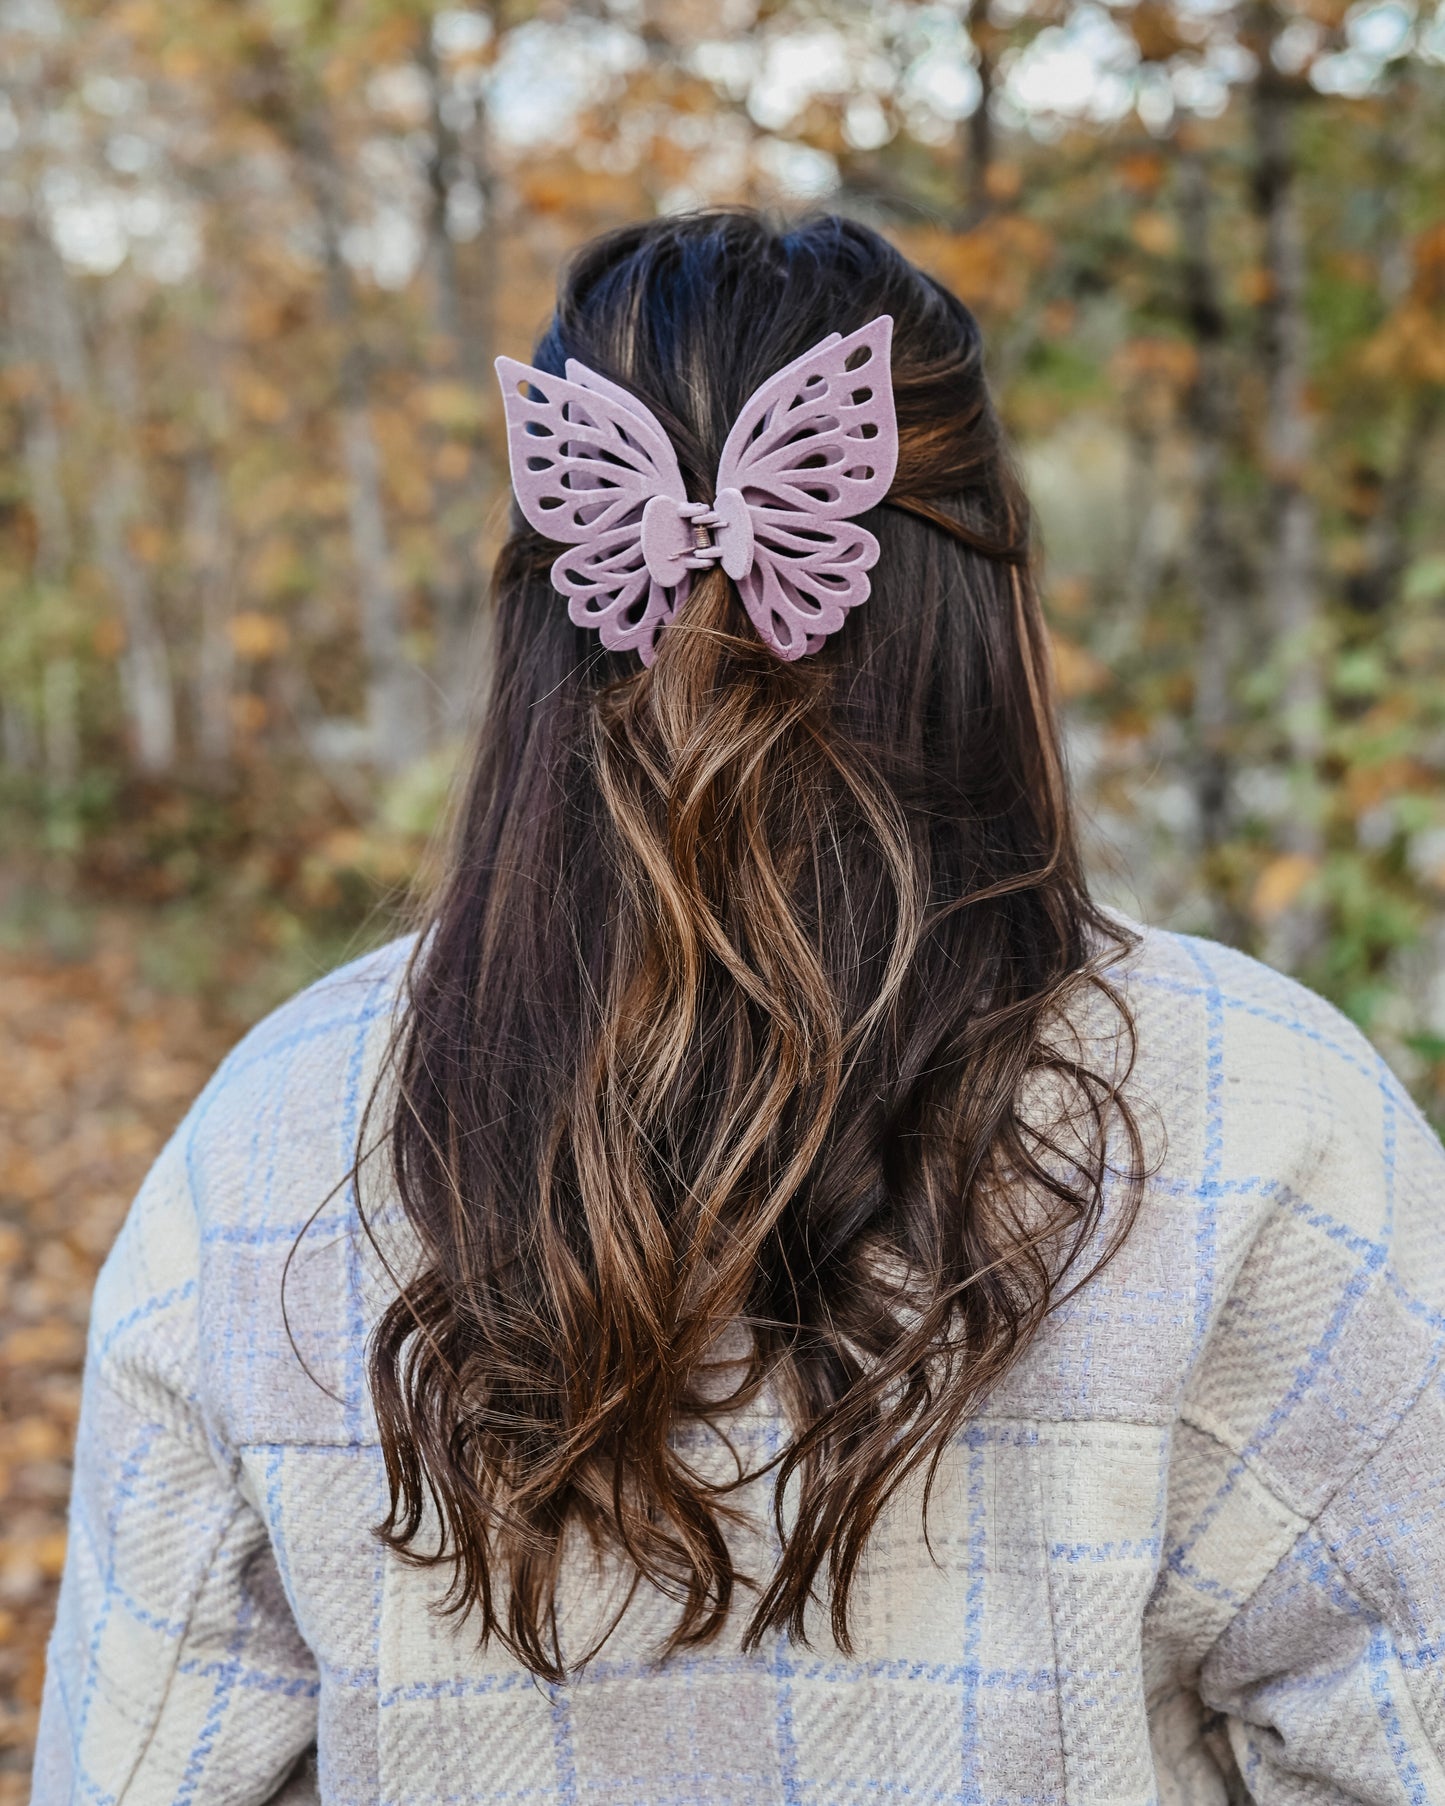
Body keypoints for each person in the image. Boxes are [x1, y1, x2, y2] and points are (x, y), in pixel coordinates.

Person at [31, 211, 1445, 1806]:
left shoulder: (271, 1145)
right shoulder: (1268, 1117)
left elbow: (141, 1769)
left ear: (533, 612)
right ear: (989, 609)